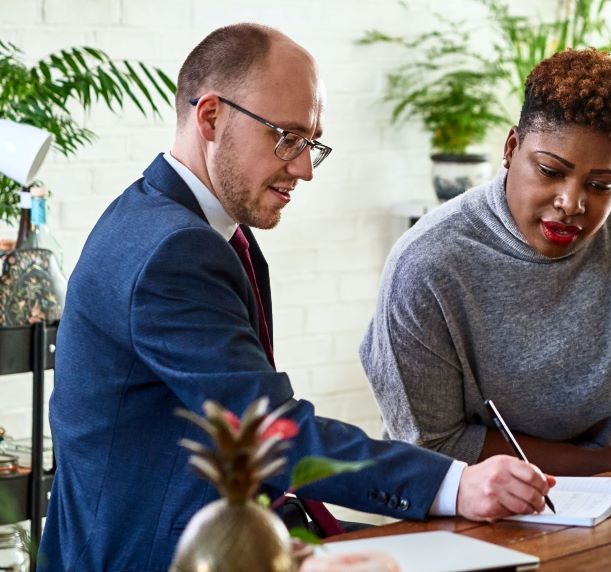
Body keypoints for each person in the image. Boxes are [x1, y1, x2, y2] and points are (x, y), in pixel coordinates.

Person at [40, 24, 552, 571]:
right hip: (157, 553)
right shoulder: (175, 250)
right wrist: (456, 484)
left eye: (311, 142)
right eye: (286, 137)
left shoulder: (175, 220)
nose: (304, 167)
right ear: (211, 117)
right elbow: (269, 430)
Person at [360, 48, 611, 477]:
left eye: (601, 184)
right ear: (511, 148)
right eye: (549, 171)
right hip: (474, 507)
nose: (572, 203)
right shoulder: (426, 263)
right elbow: (430, 445)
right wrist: (597, 462)